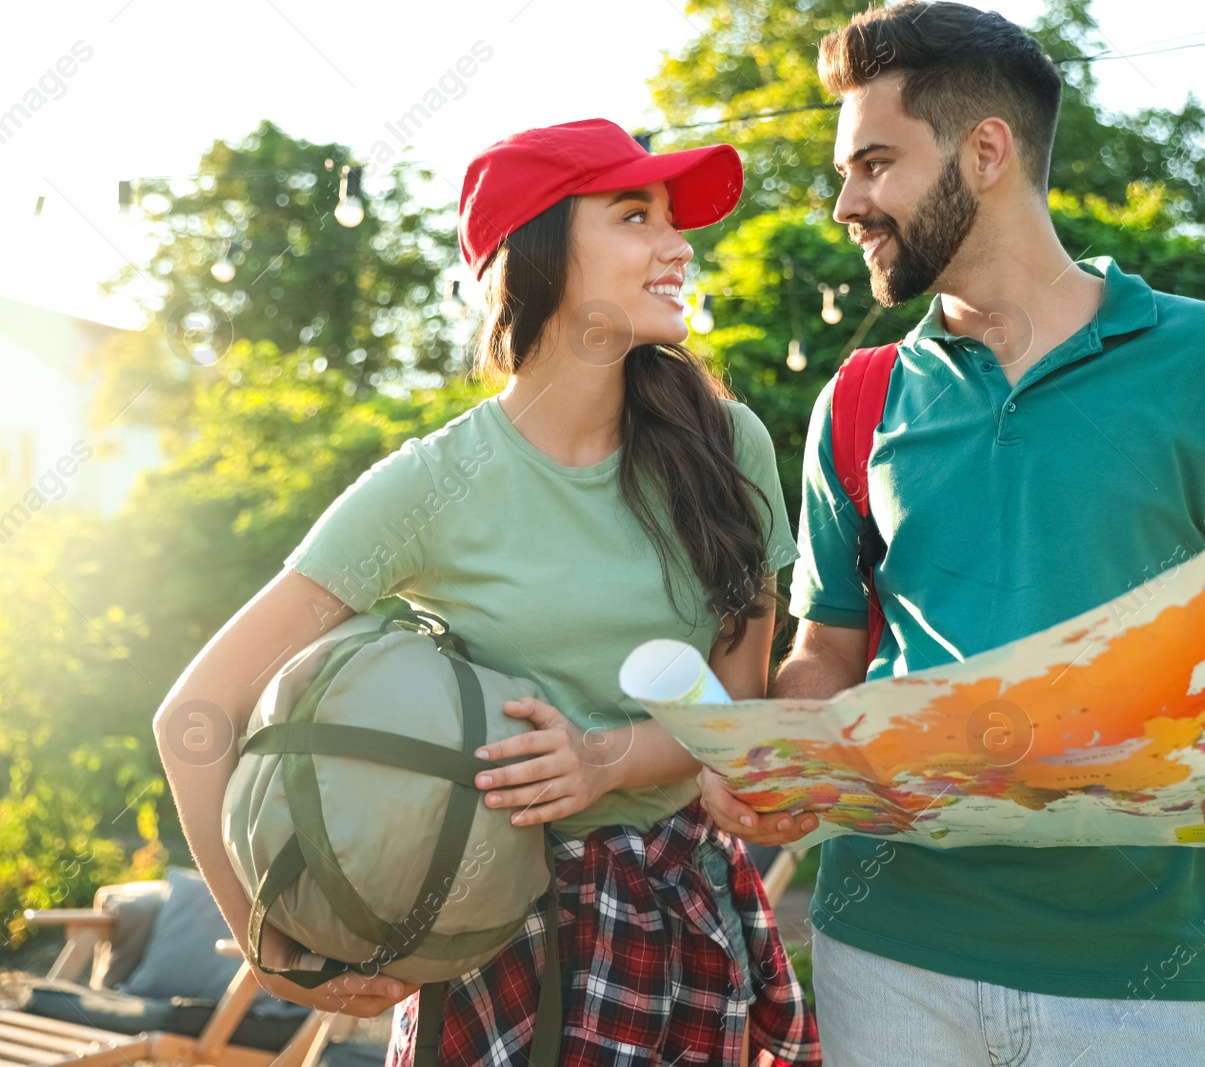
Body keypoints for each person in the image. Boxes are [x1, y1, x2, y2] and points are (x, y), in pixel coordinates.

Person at [696, 4, 1205, 1065]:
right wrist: (783, 756)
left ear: (987, 150)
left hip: (1139, 969)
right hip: (885, 949)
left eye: (873, 163)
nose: (845, 202)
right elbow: (828, 649)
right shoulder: (858, 398)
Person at [153, 118, 821, 1067]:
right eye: (635, 216)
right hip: (491, 937)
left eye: (673, 219)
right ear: (539, 255)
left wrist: (604, 758)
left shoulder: (730, 446)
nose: (676, 246)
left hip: (685, 914)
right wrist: (271, 949)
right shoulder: (429, 485)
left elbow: (736, 707)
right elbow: (194, 715)